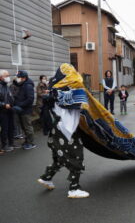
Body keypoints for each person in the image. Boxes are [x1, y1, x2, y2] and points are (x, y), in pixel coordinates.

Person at [38, 63, 89, 198]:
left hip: (57, 128)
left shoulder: (54, 89)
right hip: (66, 130)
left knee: (60, 157)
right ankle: (74, 188)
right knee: (76, 156)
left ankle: (46, 177)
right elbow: (82, 104)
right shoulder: (67, 91)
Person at [14, 70, 36, 150]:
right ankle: (27, 141)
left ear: (24, 78)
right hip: (22, 110)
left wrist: (20, 104)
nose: (18, 79)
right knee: (24, 127)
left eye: (19, 77)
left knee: (28, 127)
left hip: (26, 110)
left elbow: (30, 99)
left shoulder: (28, 86)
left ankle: (31, 143)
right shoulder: (23, 84)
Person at [0, 70, 19, 153]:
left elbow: (10, 96)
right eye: (6, 76)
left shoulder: (6, 86)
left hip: (10, 110)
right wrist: (4, 105)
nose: (8, 77)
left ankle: (11, 143)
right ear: (1, 77)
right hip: (2, 111)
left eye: (8, 75)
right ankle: (4, 145)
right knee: (5, 129)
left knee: (11, 127)